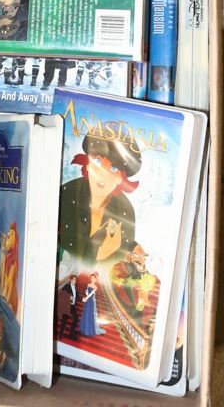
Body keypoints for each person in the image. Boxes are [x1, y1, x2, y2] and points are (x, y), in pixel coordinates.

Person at [59, 135, 141, 268]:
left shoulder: (125, 211)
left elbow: (120, 268)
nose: (102, 174)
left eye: (113, 168)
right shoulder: (67, 193)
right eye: (97, 162)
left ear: (121, 178)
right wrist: (100, 253)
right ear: (88, 164)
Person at [79, 272, 105, 337]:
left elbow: (91, 294)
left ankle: (89, 331)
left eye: (93, 278)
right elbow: (87, 292)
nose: (92, 279)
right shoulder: (88, 284)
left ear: (95, 279)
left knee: (90, 314)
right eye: (91, 278)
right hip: (87, 300)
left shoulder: (95, 287)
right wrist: (86, 294)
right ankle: (84, 329)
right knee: (86, 313)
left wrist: (86, 298)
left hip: (91, 301)